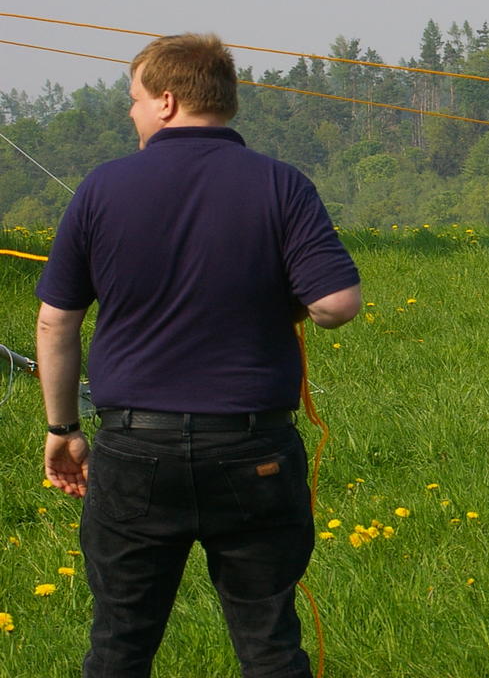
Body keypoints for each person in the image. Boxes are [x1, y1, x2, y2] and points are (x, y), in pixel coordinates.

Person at [37, 34, 361, 677]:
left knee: (119, 644)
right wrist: (283, 307)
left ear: (166, 101)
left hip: (134, 448)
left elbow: (55, 322)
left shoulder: (102, 187)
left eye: (134, 99)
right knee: (270, 646)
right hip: (253, 448)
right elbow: (336, 304)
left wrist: (62, 427)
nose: (130, 112)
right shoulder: (282, 184)